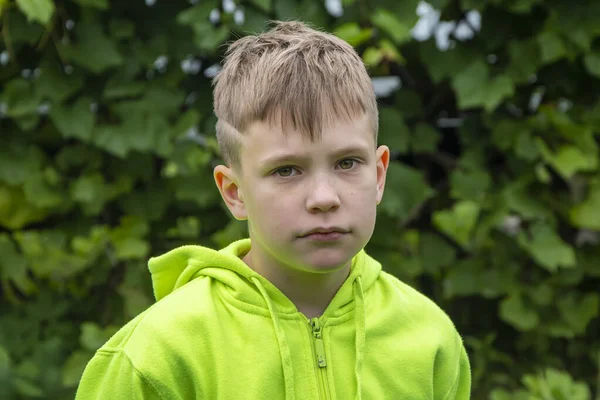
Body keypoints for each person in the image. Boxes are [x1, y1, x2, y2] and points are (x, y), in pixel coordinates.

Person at [75, 20, 471, 399]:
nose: (323, 197)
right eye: (286, 170)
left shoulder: (431, 338)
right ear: (234, 192)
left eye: (347, 163)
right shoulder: (158, 354)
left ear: (380, 174)